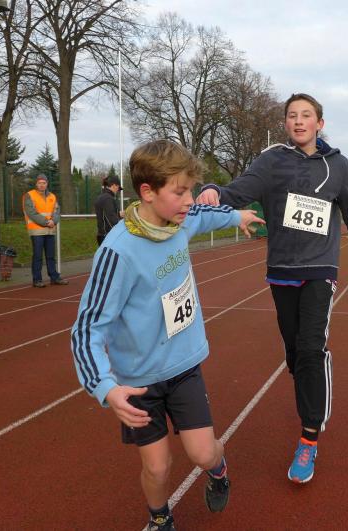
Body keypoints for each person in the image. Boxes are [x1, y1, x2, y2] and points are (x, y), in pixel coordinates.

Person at [71, 139, 263, 531]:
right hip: (139, 381)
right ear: (148, 192)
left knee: (204, 454)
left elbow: (205, 215)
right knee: (157, 469)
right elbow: (87, 328)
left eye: (190, 190)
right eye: (180, 192)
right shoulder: (118, 252)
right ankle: (160, 518)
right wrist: (105, 388)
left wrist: (237, 215)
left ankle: (219, 470)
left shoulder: (181, 218)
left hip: (183, 365)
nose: (189, 200)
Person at [196, 93, 348, 484]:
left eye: (306, 115)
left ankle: (309, 436)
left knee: (312, 348)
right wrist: (214, 189)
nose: (299, 121)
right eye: (292, 115)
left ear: (319, 123)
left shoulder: (337, 164)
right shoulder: (272, 160)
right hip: (282, 268)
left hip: (320, 267)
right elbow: (241, 189)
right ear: (286, 123)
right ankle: (307, 381)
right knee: (296, 354)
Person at [22, 174, 68, 288]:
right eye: (39, 183)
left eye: (44, 183)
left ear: (47, 184)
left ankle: (54, 277)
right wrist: (47, 222)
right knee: (38, 256)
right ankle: (37, 279)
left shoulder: (52, 196)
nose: (42, 185)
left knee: (51, 256)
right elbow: (31, 213)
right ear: (36, 184)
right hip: (37, 231)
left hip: (50, 230)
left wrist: (53, 221)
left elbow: (56, 211)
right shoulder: (29, 195)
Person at [95, 175, 124, 245]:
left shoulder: (102, 197)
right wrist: (121, 232)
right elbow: (111, 220)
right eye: (118, 188)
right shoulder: (108, 198)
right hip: (108, 236)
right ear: (114, 185)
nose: (118, 191)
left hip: (103, 235)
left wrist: (118, 214)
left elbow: (105, 215)